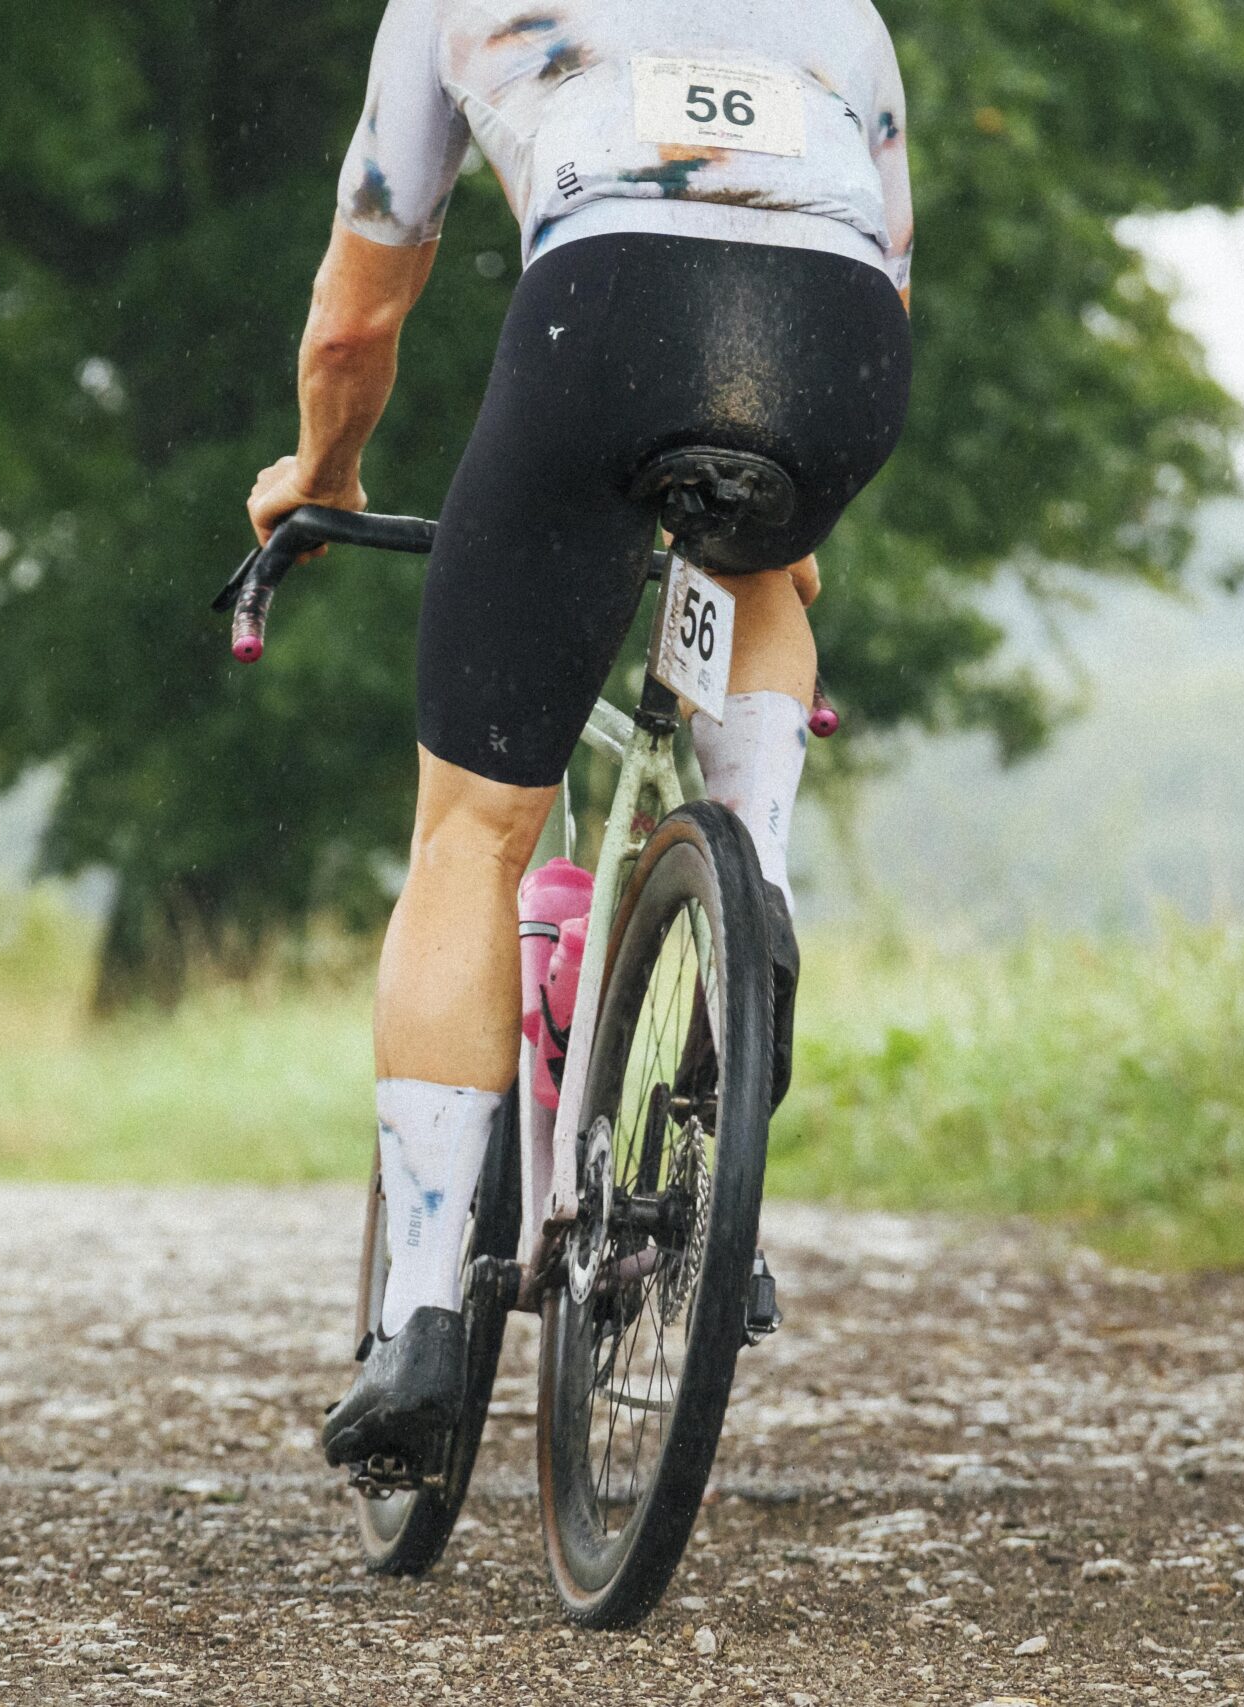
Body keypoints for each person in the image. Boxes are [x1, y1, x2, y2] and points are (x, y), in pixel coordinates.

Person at [248, 0, 915, 1474]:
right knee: (756, 565)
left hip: (608, 310)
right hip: (838, 346)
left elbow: (358, 314)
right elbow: (885, 256)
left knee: (469, 839)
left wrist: (323, 473)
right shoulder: (851, 14)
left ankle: (423, 1321)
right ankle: (754, 886)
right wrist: (787, 496)